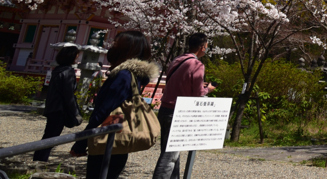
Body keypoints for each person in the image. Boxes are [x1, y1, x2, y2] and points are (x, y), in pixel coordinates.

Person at [70, 30, 156, 179]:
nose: (112, 47)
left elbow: (105, 111)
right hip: (119, 135)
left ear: (127, 49)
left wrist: (82, 141)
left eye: (116, 44)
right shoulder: (134, 75)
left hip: (110, 138)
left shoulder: (123, 76)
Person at [152, 33, 215, 179]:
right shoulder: (197, 64)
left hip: (165, 109)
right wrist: (209, 89)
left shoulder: (178, 60)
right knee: (170, 156)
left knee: (170, 151)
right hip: (178, 112)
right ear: (202, 47)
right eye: (206, 46)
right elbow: (198, 93)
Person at [34, 45, 82, 161]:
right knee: (51, 137)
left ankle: (39, 158)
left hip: (52, 107)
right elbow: (68, 95)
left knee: (48, 135)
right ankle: (40, 160)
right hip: (60, 109)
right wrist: (76, 113)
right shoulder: (68, 71)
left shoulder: (58, 70)